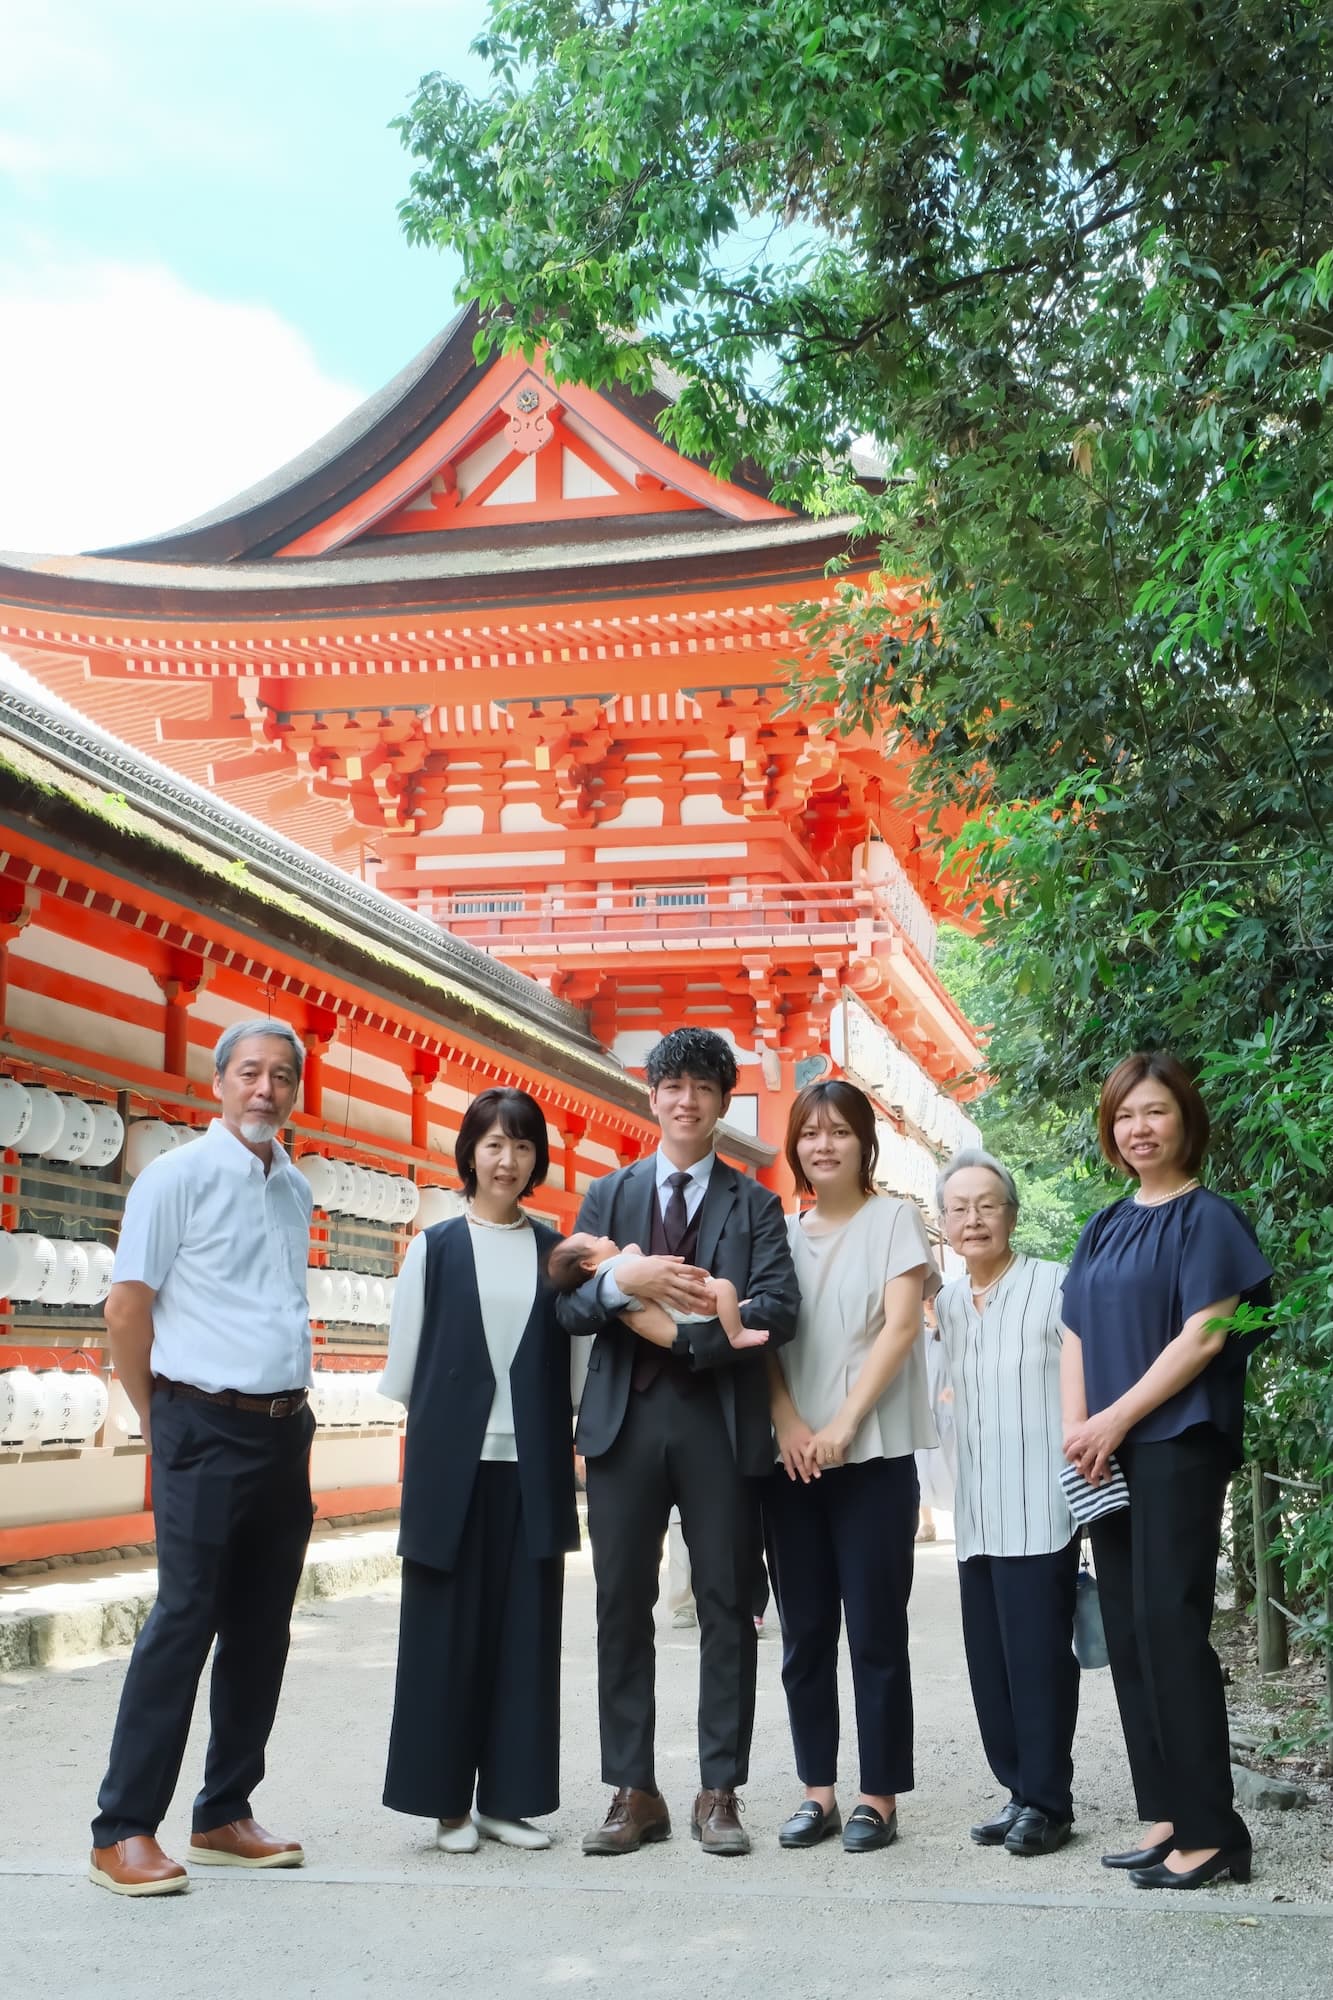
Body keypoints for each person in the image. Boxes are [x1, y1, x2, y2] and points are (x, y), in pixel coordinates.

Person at [556, 1027, 799, 1858]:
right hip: (622, 1423)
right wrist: (625, 1280)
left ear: (723, 1101)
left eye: (702, 1085)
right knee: (621, 1604)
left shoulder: (755, 1202)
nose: (685, 1099)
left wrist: (687, 1341)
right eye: (671, 1084)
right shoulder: (608, 1197)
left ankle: (718, 1790)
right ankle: (632, 1789)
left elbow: (776, 1308)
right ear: (650, 1096)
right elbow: (569, 1307)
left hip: (719, 1422)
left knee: (728, 1604)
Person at [89, 1020, 315, 1896]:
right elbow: (125, 1308)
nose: (266, 1089)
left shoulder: (293, 1185)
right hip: (199, 1422)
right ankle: (121, 1829)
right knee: (185, 1620)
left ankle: (224, 1808)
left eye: (283, 1077)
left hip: (282, 1427)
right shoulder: (175, 1177)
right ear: (217, 1082)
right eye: (251, 1073)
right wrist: (159, 1417)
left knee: (262, 1625)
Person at [1060, 1052, 1273, 1891]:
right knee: (1128, 1627)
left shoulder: (1210, 1219)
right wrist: (1079, 1428)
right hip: (1106, 1449)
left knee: (1169, 1622)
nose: (1137, 1128)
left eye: (1152, 1112)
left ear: (1184, 1118)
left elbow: (1206, 1336)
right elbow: (1073, 1328)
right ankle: (1167, 1814)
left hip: (1178, 1440)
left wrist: (1113, 1419)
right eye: (1122, 1116)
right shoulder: (1104, 1223)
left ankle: (1214, 1832)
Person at [380, 1088, 578, 1853]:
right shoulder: (433, 1247)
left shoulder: (557, 1252)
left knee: (525, 1636)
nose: (507, 1159)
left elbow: (576, 1367)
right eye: (492, 1144)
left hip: (530, 1467)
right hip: (450, 1468)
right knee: (443, 1637)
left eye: (522, 1146)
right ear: (469, 1153)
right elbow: (407, 1368)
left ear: (537, 1159)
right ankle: (446, 1806)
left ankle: (509, 1800)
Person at [763, 1079, 939, 1855]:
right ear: (795, 1145)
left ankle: (877, 1796)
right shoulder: (777, 1235)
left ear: (865, 1143)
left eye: (838, 1131)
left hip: (869, 1460)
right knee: (803, 1633)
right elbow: (760, 1340)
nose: (822, 1145)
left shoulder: (895, 1221)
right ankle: (816, 1792)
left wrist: (840, 1425)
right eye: (809, 1132)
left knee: (873, 1631)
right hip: (790, 1461)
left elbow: (900, 1328)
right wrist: (792, 1424)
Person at [934, 1149, 1080, 1858]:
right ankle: (1018, 1790)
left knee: (1038, 1661)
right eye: (958, 1208)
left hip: (1041, 1505)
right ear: (942, 1224)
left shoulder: (1055, 1287)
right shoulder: (947, 1302)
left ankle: (1050, 1801)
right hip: (977, 1514)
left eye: (986, 1205)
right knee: (989, 1663)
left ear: (1011, 1214)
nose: (972, 1219)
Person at [546, 1233, 769, 1351]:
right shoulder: (610, 1271)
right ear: (587, 1265)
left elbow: (633, 1253)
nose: (603, 1237)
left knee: (720, 1293)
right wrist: (620, 1281)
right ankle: (736, 1333)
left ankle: (728, 1315)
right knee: (724, 1287)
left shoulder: (614, 1264)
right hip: (685, 1306)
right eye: (595, 1240)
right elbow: (569, 1310)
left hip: (681, 1309)